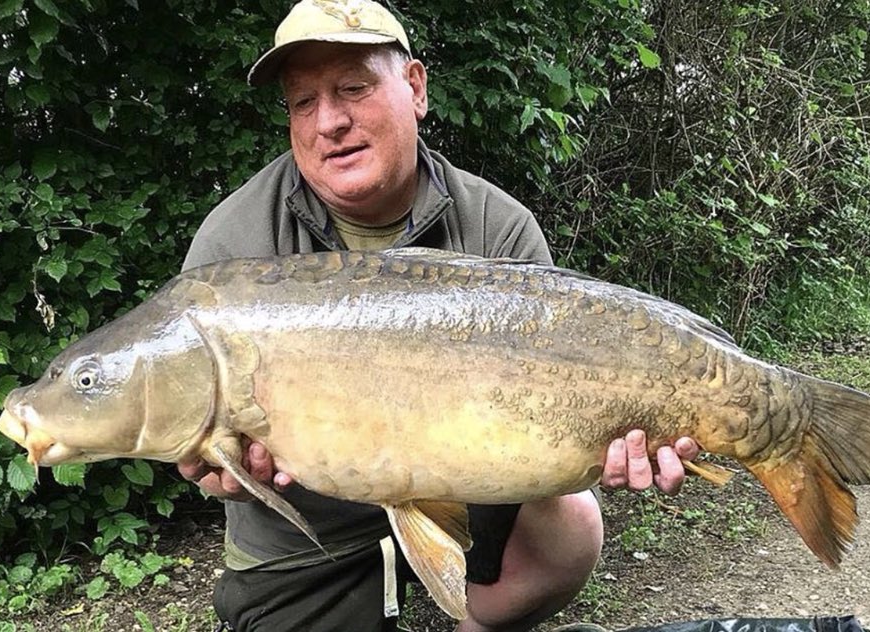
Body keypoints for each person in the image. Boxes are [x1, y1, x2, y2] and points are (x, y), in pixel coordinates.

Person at [177, 1, 700, 630]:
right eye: (302, 102)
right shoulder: (233, 244)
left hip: (477, 500)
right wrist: (220, 471)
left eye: (352, 88)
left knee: (573, 519)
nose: (329, 122)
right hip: (310, 544)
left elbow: (568, 396)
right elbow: (204, 449)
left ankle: (475, 620)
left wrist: (608, 440)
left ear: (416, 88)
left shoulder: (497, 226)